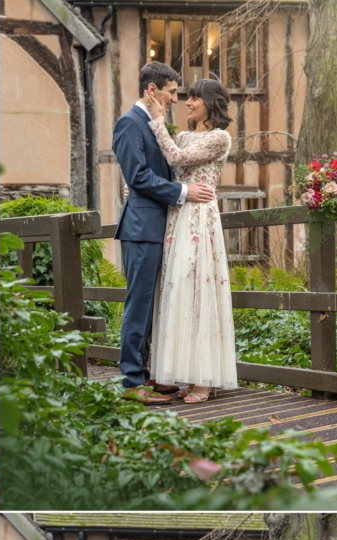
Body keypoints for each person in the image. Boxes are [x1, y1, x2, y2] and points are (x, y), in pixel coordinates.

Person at [112, 62, 215, 405]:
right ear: (152, 90)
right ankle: (132, 381)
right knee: (139, 304)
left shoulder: (151, 125)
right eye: (172, 91)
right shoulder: (129, 123)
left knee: (156, 304)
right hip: (142, 227)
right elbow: (138, 176)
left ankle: (150, 374)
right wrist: (183, 192)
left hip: (162, 226)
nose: (176, 98)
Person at [145, 79, 238, 402]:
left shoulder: (219, 138)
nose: (188, 102)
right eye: (187, 97)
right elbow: (166, 165)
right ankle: (186, 371)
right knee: (178, 289)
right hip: (179, 217)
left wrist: (158, 121)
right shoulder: (184, 135)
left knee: (200, 289)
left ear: (210, 102)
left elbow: (176, 160)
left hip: (201, 219)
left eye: (195, 98)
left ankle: (204, 379)